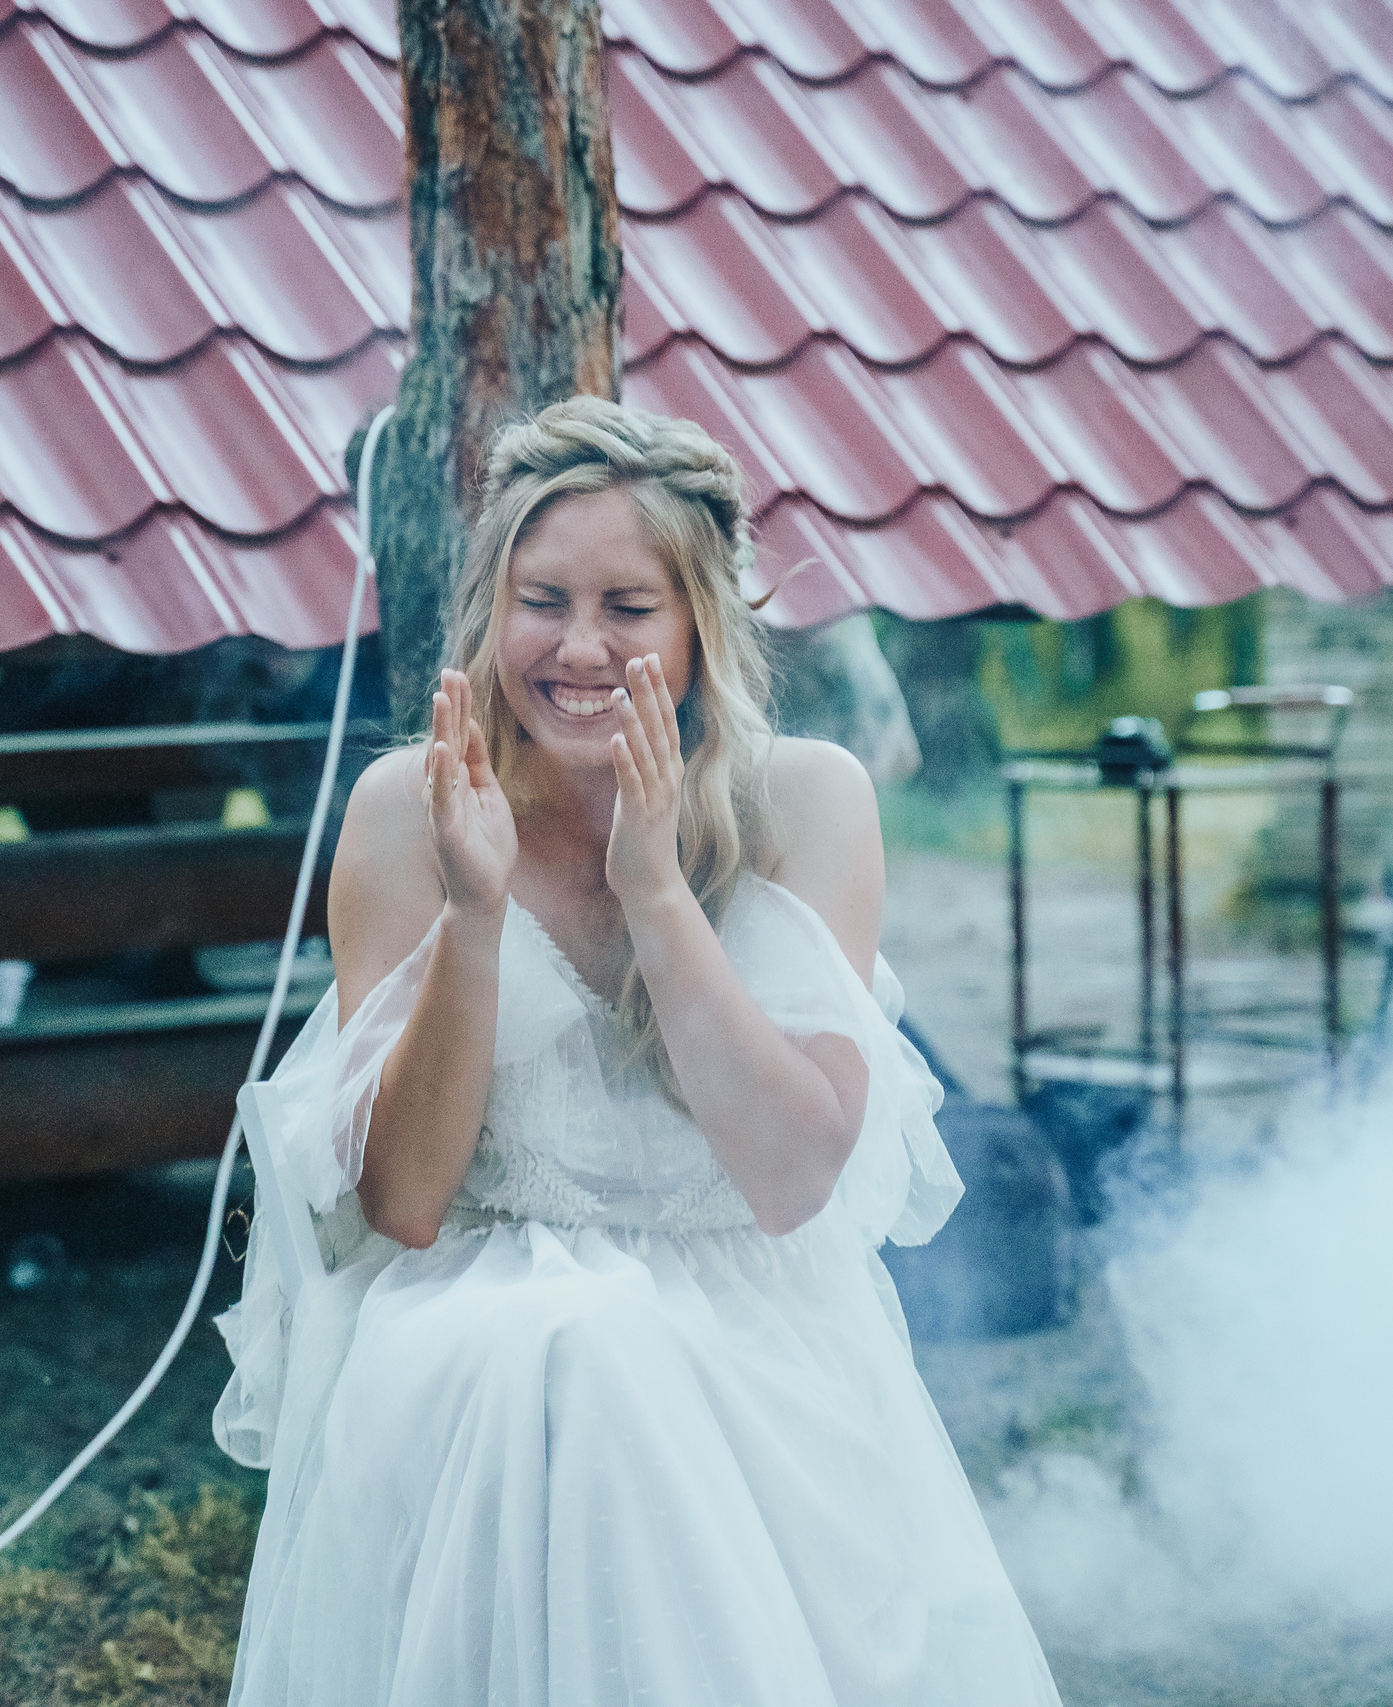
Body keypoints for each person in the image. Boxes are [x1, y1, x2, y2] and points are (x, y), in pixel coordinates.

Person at [213, 397, 1064, 1705]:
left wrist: (660, 892)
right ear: (494, 613)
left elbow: (791, 1180)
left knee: (613, 1359)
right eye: (542, 600)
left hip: (747, 1328)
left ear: (702, 625)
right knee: (582, 1349)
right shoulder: (404, 811)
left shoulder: (810, 801)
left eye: (630, 607)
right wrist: (473, 912)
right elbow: (407, 1204)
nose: (580, 648)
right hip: (469, 1324)